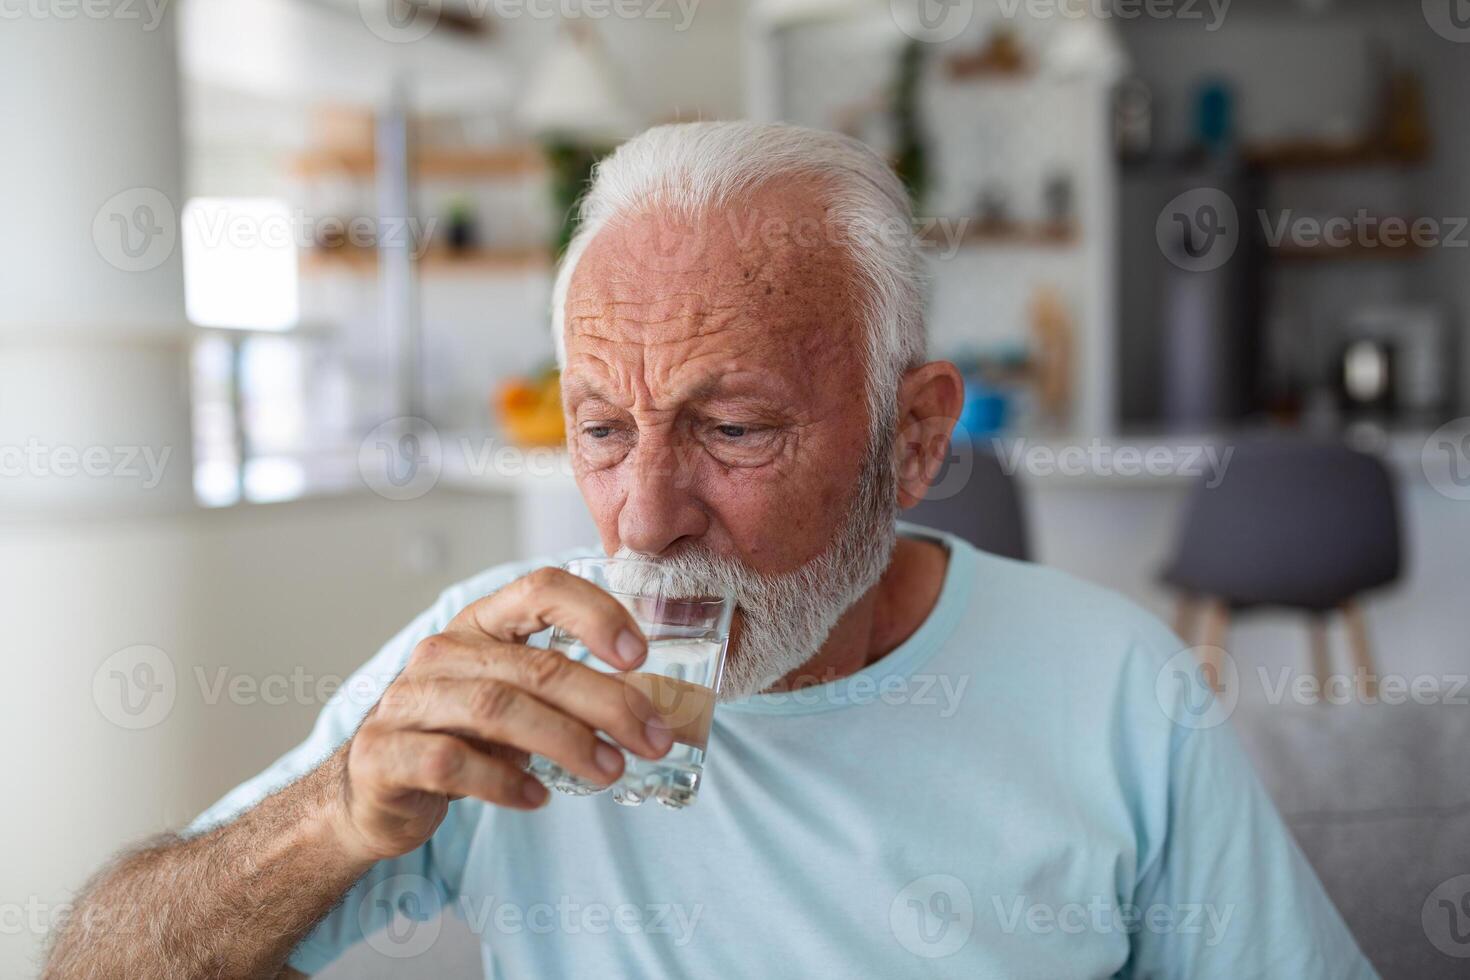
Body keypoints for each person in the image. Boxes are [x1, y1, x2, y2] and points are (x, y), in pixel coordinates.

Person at [44, 121, 1376, 979]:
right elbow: (93, 967)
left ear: (911, 440)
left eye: (732, 428)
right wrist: (331, 817)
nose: (641, 517)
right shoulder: (492, 663)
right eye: (603, 429)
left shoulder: (1114, 691)